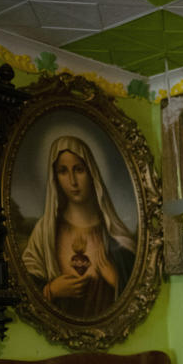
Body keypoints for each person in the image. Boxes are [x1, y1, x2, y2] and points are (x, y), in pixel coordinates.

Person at [23, 135, 136, 318]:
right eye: (63, 171)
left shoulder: (114, 233)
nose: (73, 181)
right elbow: (26, 284)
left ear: (91, 173)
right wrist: (51, 290)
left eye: (79, 169)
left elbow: (136, 288)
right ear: (55, 177)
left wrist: (116, 280)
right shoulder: (45, 231)